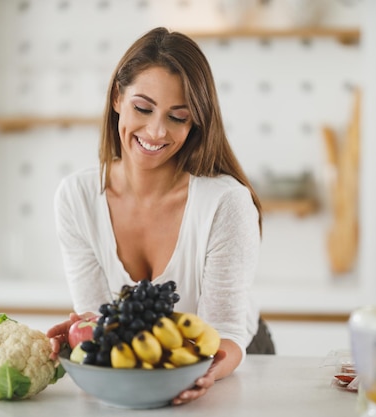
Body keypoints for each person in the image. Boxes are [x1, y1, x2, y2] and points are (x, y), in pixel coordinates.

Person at [46, 27, 275, 405]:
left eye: (178, 117)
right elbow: (102, 322)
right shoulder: (76, 197)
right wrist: (80, 332)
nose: (156, 131)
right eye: (143, 108)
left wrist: (206, 374)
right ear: (118, 98)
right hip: (145, 370)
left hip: (230, 361)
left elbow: (226, 332)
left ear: (196, 122)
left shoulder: (226, 203)